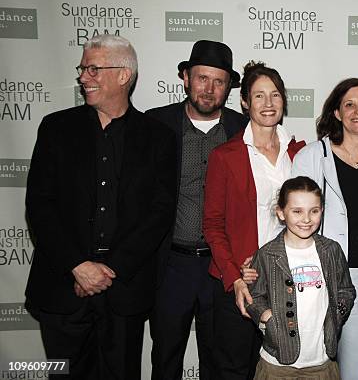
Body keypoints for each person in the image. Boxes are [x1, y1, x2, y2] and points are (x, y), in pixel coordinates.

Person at [25, 34, 176, 380]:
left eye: (93, 69)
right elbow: (39, 205)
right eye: (82, 68)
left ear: (124, 75)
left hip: (124, 293)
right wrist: (78, 265)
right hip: (62, 290)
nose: (83, 77)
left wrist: (110, 270)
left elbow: (159, 212)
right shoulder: (55, 128)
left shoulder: (158, 138)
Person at [146, 40, 248, 380]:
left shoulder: (243, 130)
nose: (209, 88)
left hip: (221, 268)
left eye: (219, 82)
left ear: (229, 88)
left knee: (218, 360)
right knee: (166, 357)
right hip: (171, 265)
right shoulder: (155, 125)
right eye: (202, 78)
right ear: (185, 77)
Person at [203, 61, 305, 379]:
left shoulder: (301, 153)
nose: (268, 103)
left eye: (274, 95)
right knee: (234, 370)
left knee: (284, 371)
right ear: (245, 102)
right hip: (241, 283)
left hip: (291, 284)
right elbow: (213, 225)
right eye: (258, 96)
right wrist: (234, 277)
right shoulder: (225, 156)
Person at [291, 77, 358, 379]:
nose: (357, 111)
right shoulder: (312, 156)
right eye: (349, 104)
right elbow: (294, 222)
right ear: (336, 112)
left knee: (354, 372)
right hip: (321, 279)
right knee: (309, 368)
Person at [245, 176, 356, 379]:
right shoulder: (266, 254)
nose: (306, 219)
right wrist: (267, 319)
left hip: (322, 363)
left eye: (314, 211)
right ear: (281, 213)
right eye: (297, 211)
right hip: (276, 366)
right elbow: (254, 296)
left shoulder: (331, 250)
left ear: (321, 210)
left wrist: (337, 314)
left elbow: (346, 290)